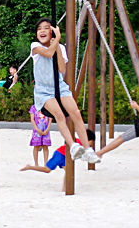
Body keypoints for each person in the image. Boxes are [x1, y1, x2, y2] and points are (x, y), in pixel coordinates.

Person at [30, 19, 100, 164]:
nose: (42, 31)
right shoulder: (35, 46)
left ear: (52, 31)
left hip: (59, 86)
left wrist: (57, 45)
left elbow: (62, 69)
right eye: (39, 29)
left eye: (46, 28)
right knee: (60, 115)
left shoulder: (59, 47)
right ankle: (73, 146)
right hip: (43, 90)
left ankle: (87, 149)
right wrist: (57, 41)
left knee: (76, 114)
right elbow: (48, 54)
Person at [28, 103, 53, 168]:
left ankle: (45, 164)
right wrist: (37, 130)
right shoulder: (33, 107)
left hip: (45, 130)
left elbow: (50, 119)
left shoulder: (47, 106)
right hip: (36, 130)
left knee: (45, 146)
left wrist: (47, 129)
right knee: (36, 146)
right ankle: (36, 164)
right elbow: (32, 120)